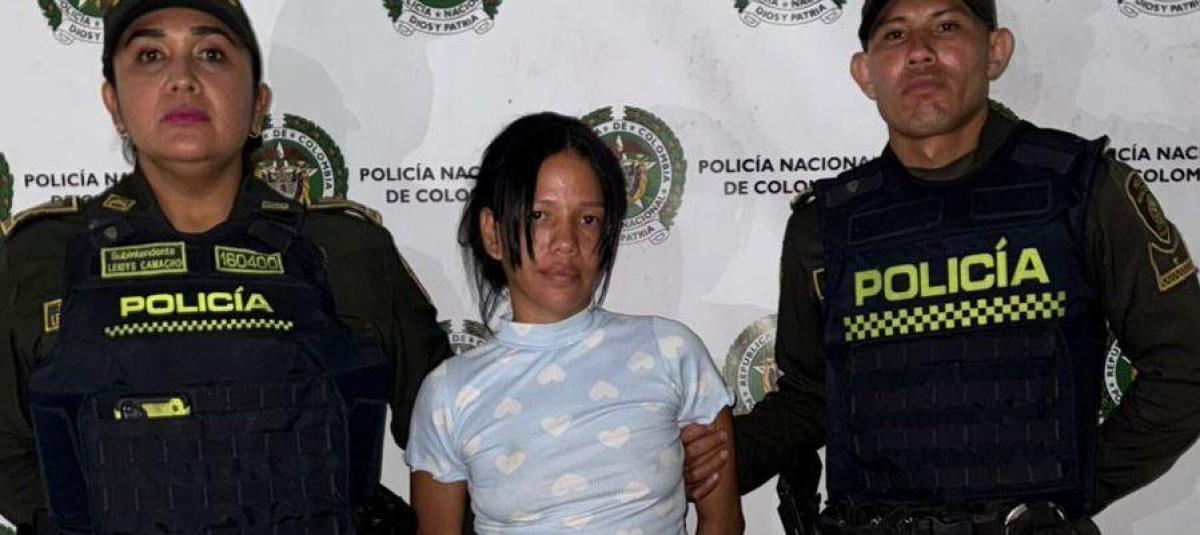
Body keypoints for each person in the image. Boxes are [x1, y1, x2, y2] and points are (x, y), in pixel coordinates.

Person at [682, 1, 1200, 533]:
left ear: (995, 51)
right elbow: (811, 399)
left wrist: (1071, 491)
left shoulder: (1084, 190)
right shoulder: (825, 226)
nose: (920, 52)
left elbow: (1185, 365)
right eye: (895, 34)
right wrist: (704, 458)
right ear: (865, 73)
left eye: (946, 26)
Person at [0, 1, 450, 533]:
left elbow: (456, 434)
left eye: (211, 53)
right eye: (150, 56)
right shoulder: (42, 259)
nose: (182, 79)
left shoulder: (346, 251)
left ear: (259, 104)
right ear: (114, 103)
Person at [404, 112, 743, 534]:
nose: (566, 242)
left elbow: (723, 523)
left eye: (588, 219)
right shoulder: (448, 394)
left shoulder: (672, 353)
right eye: (539, 215)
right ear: (492, 233)